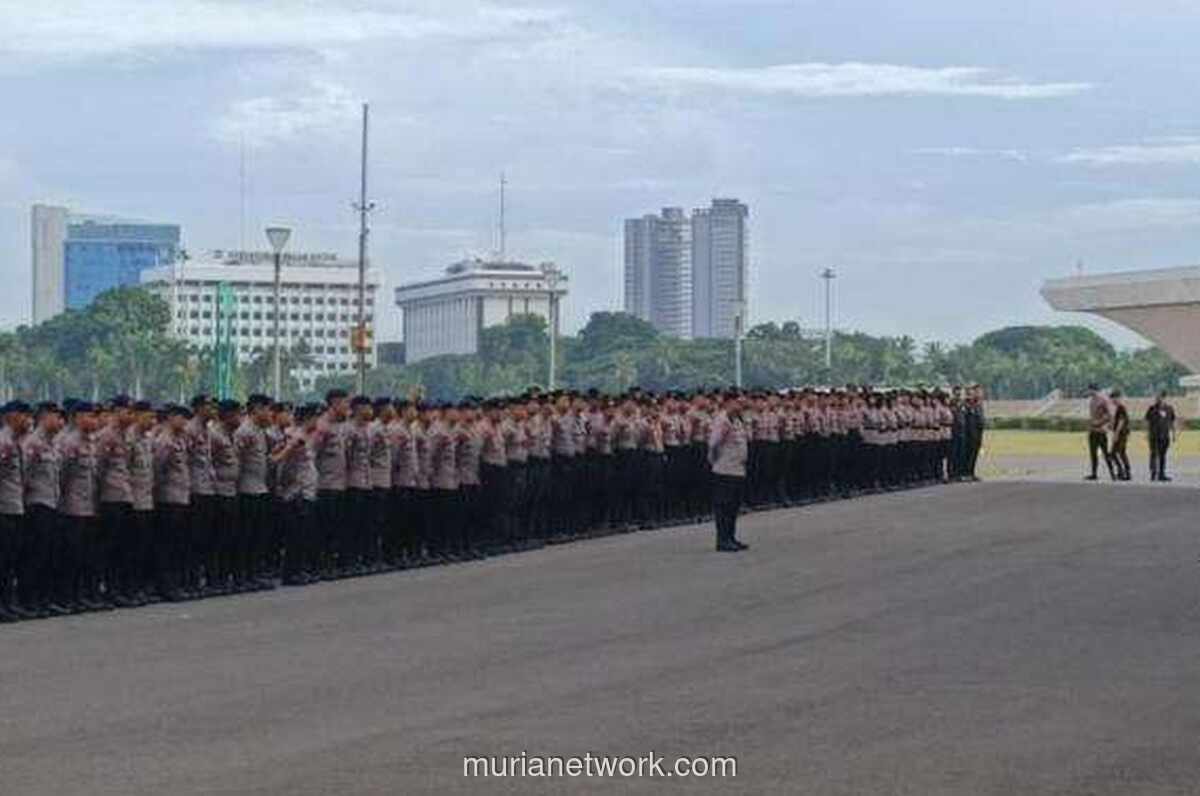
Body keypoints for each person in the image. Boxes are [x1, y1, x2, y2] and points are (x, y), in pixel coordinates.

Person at [708, 391, 750, 553]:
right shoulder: (722, 420)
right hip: (725, 470)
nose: (740, 406)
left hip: (738, 469)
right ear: (728, 403)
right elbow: (713, 444)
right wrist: (716, 462)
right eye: (737, 403)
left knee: (733, 506)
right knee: (724, 506)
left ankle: (731, 537)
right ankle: (722, 540)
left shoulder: (738, 420)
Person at [1144, 391, 1177, 482]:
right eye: (1157, 397)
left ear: (1165, 398)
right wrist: (1147, 433)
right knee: (1154, 454)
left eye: (1161, 397)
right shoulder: (1152, 409)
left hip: (1164, 436)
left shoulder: (1169, 409)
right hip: (1154, 435)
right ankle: (1153, 472)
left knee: (1163, 455)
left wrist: (1174, 434)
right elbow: (1147, 421)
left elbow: (1172, 422)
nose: (1159, 399)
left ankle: (1162, 474)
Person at [1085, 384, 1115, 481]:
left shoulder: (1103, 400)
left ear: (1094, 390)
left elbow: (1109, 415)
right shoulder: (1091, 401)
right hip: (1092, 430)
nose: (1088, 392)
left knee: (1105, 453)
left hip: (1101, 431)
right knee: (1093, 453)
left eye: (1089, 390)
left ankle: (1112, 473)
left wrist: (1101, 423)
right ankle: (1094, 473)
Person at [1108, 389, 1131, 481]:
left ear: (1118, 398)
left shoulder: (1121, 407)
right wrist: (1111, 426)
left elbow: (1121, 422)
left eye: (1114, 399)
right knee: (1114, 453)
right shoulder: (1118, 408)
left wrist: (1116, 434)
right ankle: (1121, 471)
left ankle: (1126, 472)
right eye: (1112, 399)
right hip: (1119, 433)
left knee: (1120, 452)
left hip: (1121, 434)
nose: (1113, 401)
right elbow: (1117, 421)